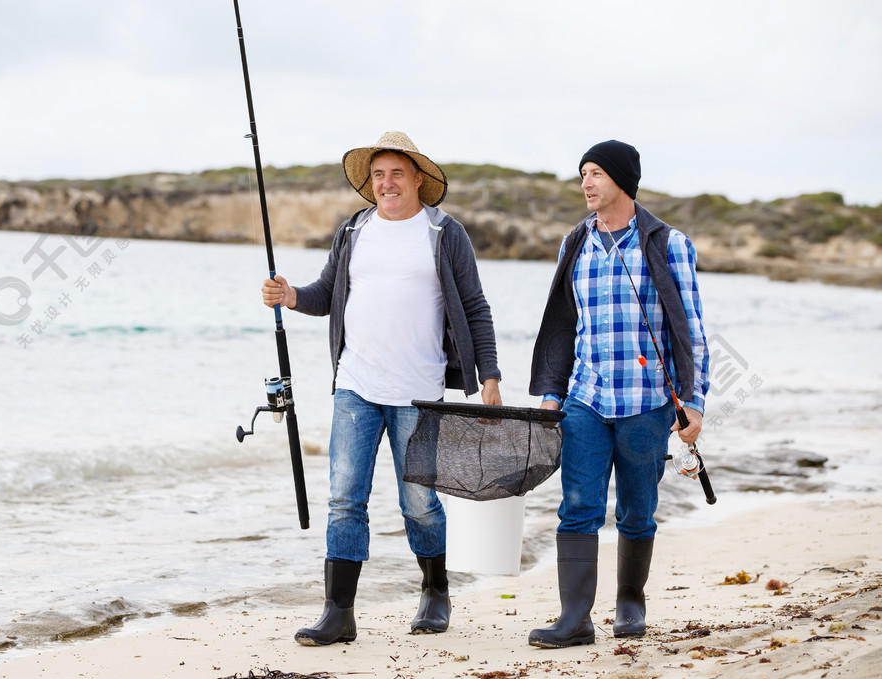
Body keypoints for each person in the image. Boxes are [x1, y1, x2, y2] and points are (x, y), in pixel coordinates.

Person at [261, 131, 503, 646]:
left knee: (418, 502)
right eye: (378, 175)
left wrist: (490, 375)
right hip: (356, 384)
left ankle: (435, 593)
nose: (387, 183)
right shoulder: (354, 230)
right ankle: (338, 613)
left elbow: (475, 307)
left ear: (418, 178)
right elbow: (327, 294)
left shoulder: (444, 232)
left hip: (419, 390)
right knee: (346, 499)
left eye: (397, 173)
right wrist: (290, 295)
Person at [527, 140, 710, 648]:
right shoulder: (574, 243)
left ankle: (630, 599)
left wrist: (694, 401)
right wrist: (549, 392)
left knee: (636, 508)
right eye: (583, 173)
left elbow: (691, 329)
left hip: (648, 402)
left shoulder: (668, 243)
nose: (586, 183)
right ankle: (574, 618)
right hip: (584, 398)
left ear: (624, 181)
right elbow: (562, 326)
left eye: (597, 173)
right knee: (578, 504)